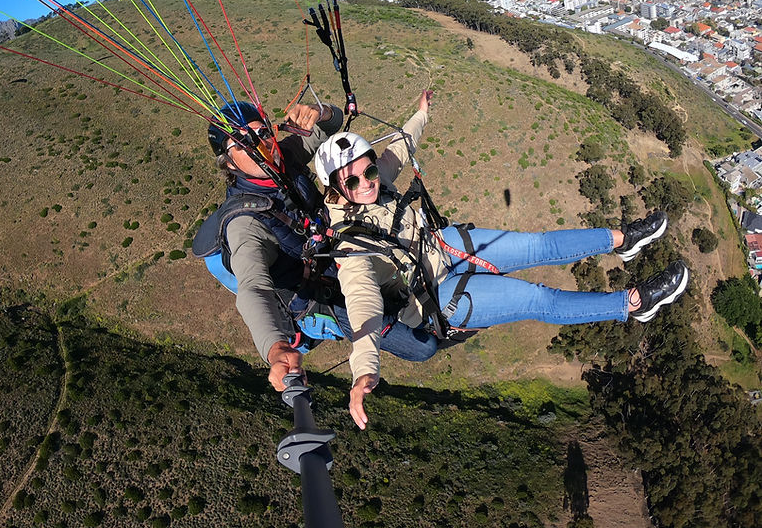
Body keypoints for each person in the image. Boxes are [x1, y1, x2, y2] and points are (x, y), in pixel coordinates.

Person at [313, 90, 690, 430]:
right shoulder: (350, 247)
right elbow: (363, 305)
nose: (368, 182)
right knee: (535, 298)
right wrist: (364, 372)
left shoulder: (376, 183)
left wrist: (422, 113)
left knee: (536, 245)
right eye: (353, 181)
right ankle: (634, 303)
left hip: (444, 246)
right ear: (334, 189)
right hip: (439, 295)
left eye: (370, 170)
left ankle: (622, 239)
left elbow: (399, 146)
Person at [199, 100, 448, 393]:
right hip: (325, 296)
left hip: (343, 249)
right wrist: (275, 348)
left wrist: (323, 111)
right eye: (243, 143)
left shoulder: (285, 157)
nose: (261, 147)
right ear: (227, 162)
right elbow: (253, 288)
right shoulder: (244, 224)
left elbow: (328, 126)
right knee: (424, 347)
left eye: (263, 133)